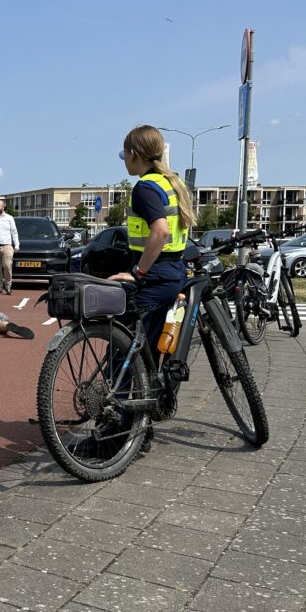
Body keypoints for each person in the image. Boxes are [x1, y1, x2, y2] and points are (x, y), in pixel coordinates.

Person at [108, 124, 197, 448]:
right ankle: (141, 429)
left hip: (155, 275)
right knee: (147, 353)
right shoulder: (172, 183)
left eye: (125, 155)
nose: (124, 162)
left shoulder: (145, 187)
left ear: (134, 154)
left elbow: (159, 231)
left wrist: (138, 272)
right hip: (172, 273)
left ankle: (116, 433)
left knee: (120, 349)